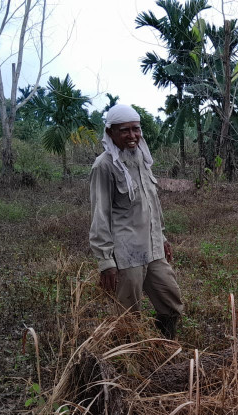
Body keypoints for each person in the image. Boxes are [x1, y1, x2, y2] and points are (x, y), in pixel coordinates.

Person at [89, 103, 183, 338]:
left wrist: (161, 237)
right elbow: (100, 214)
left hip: (153, 249)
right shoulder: (104, 166)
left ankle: (165, 346)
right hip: (126, 254)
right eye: (125, 130)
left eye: (136, 129)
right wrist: (105, 262)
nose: (132, 136)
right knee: (127, 316)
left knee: (171, 302)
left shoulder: (141, 158)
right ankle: (130, 361)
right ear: (111, 132)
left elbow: (153, 204)